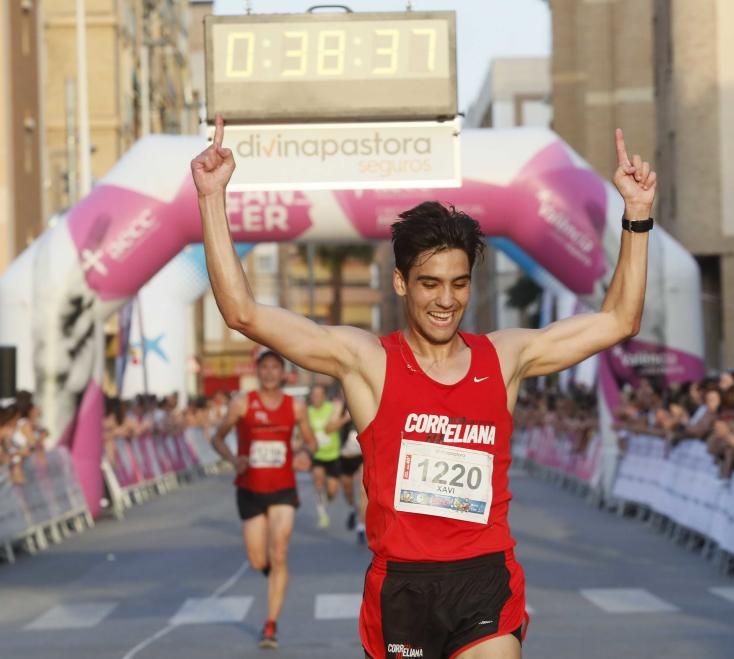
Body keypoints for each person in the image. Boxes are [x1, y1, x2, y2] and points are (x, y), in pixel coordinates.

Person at [192, 114, 656, 659]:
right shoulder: (366, 361)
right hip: (402, 589)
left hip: (484, 580)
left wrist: (638, 216)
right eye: (430, 284)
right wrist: (211, 198)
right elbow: (243, 313)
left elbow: (619, 320)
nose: (446, 300)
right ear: (400, 283)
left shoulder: (504, 357)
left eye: (459, 284)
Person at [210, 349, 318, 649]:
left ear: (282, 373)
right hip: (250, 488)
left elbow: (311, 441)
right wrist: (234, 459)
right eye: (265, 368)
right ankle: (275, 575)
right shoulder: (242, 404)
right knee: (259, 558)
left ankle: (270, 625)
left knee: (279, 552)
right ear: (258, 371)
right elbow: (217, 438)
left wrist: (304, 453)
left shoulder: (295, 407)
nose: (270, 373)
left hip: (283, 488)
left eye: (275, 368)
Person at [307, 384, 350, 529]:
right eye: (314, 395)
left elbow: (335, 422)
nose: (316, 398)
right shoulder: (307, 412)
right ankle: (322, 514)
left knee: (332, 490)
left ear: (324, 396)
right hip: (317, 455)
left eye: (319, 395)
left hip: (333, 455)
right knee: (318, 477)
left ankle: (325, 500)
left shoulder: (332, 408)